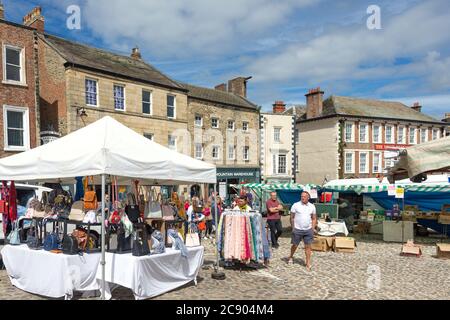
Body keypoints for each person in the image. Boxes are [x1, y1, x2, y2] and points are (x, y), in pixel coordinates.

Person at [288, 191, 317, 271]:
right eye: (301, 196)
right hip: (297, 229)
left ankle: (308, 262)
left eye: (304, 196)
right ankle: (291, 256)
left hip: (308, 230)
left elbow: (314, 218)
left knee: (308, 246)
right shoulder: (295, 205)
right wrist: (293, 227)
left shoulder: (312, 206)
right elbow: (292, 217)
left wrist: (312, 228)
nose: (302, 198)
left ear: (308, 198)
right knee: (295, 245)